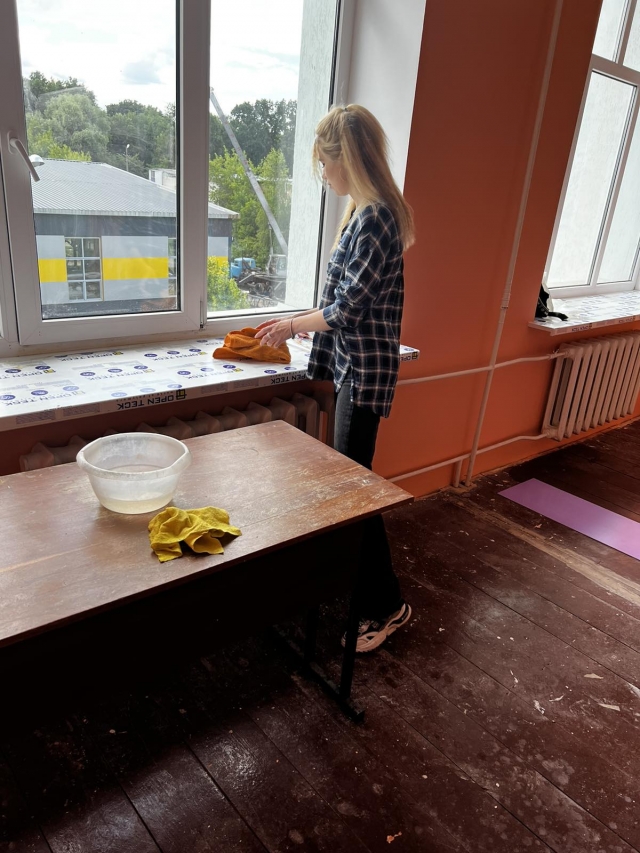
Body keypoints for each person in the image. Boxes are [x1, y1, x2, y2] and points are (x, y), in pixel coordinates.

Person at [255, 103, 415, 653]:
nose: (323, 173)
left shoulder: (376, 219)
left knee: (355, 492)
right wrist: (296, 322)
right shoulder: (361, 214)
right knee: (353, 488)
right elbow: (340, 301)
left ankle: (387, 606)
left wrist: (290, 326)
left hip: (365, 374)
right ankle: (369, 591)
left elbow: (348, 308)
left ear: (348, 158)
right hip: (351, 368)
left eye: (325, 162)